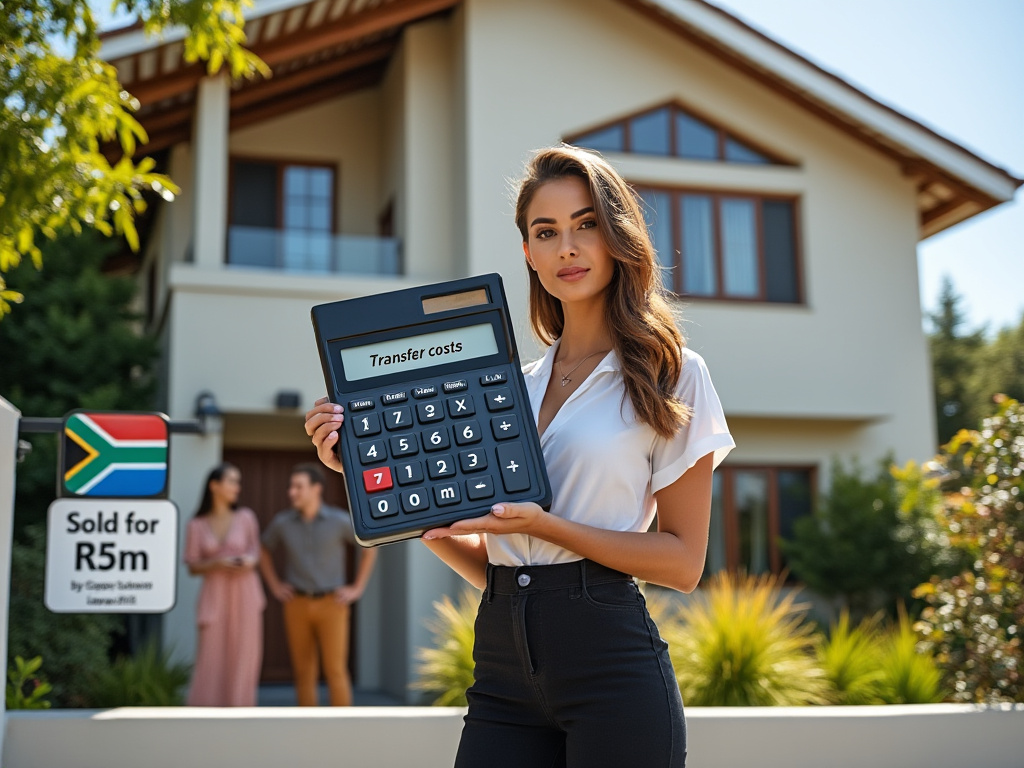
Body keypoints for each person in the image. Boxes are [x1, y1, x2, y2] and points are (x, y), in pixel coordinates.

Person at [304, 145, 734, 766]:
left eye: (587, 225)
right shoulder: (512, 387)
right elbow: (499, 562)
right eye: (546, 232)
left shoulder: (669, 374)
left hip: (612, 666)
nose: (567, 248)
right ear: (528, 254)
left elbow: (683, 563)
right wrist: (375, 481)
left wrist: (545, 524)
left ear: (619, 239)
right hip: (503, 657)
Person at [259, 463, 378, 707]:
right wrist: (275, 585)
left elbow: (370, 547)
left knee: (336, 671)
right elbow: (263, 549)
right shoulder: (283, 523)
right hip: (297, 604)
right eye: (292, 487)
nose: (292, 492)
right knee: (303, 672)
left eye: (298, 486)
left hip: (332, 604)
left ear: (316, 489)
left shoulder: (340, 520)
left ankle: (343, 731)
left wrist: (357, 588)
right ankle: (307, 729)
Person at [183, 462, 266, 706]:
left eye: (238, 482)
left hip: (246, 594)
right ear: (214, 485)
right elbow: (192, 566)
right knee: (211, 657)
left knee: (244, 656)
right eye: (231, 481)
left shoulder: (246, 517)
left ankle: (242, 713)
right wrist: (218, 563)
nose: (236, 487)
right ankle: (203, 716)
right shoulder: (196, 524)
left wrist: (247, 561)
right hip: (214, 595)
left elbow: (255, 553)